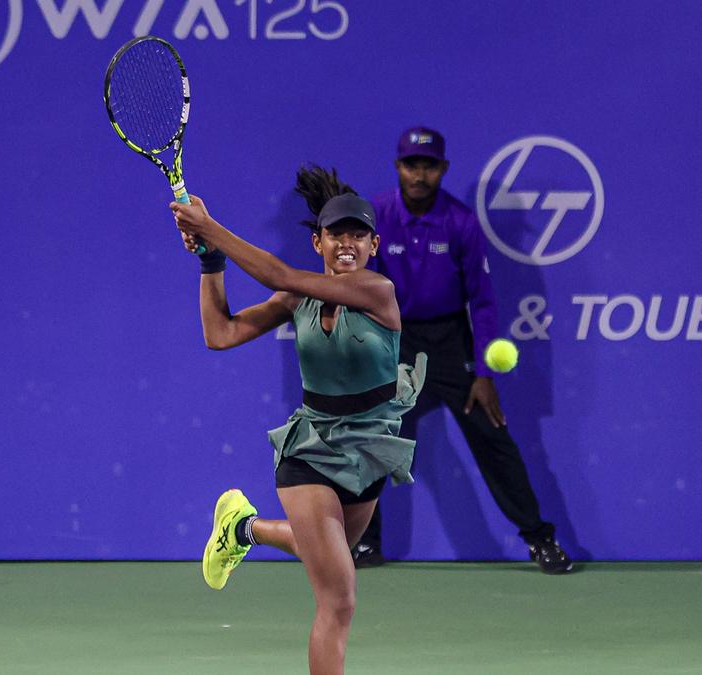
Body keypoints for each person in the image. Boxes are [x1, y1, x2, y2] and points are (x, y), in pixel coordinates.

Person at [169, 165, 426, 674]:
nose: (347, 244)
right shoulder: (296, 298)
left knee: (329, 552)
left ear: (374, 245)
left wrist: (209, 226)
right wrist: (211, 261)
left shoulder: (378, 291)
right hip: (310, 450)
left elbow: (280, 275)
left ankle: (243, 528)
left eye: (358, 235)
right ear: (318, 242)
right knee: (339, 599)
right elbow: (221, 334)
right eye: (336, 235)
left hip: (370, 450)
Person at [352, 126, 573, 574]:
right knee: (371, 440)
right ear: (398, 167)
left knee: (494, 439)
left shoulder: (462, 223)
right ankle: (363, 543)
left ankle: (540, 539)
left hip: (452, 344)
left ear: (443, 169)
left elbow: (483, 301)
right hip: (394, 341)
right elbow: (360, 288)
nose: (420, 175)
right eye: (411, 165)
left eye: (429, 166)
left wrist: (485, 374)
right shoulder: (376, 216)